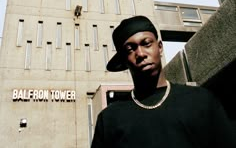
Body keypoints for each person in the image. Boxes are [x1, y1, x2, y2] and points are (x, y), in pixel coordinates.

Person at [91, 15, 235, 148]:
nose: (140, 54)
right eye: (130, 49)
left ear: (160, 47)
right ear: (124, 60)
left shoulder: (201, 100)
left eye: (146, 43)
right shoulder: (109, 119)